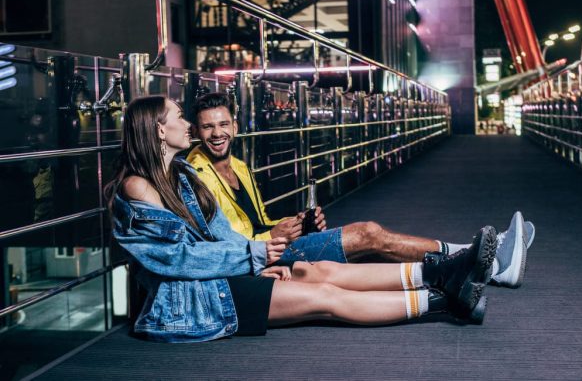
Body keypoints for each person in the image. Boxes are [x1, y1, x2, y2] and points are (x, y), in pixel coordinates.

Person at [107, 95, 499, 342]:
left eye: (219, 123)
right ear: (159, 129)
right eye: (180, 116)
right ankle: (444, 300)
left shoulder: (183, 175)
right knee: (325, 296)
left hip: (221, 277)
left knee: (319, 271)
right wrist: (254, 257)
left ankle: (442, 272)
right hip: (191, 302)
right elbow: (176, 260)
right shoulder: (139, 188)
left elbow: (218, 234)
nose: (190, 125)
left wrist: (254, 263)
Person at [187, 92, 534, 288]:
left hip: (275, 244)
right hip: (258, 259)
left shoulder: (242, 167)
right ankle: (486, 258)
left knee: (372, 243)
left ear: (234, 125)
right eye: (207, 127)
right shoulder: (194, 172)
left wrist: (296, 224)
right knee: (369, 233)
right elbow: (218, 239)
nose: (217, 134)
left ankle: (486, 260)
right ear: (196, 131)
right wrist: (272, 238)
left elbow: (258, 221)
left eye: (223, 124)